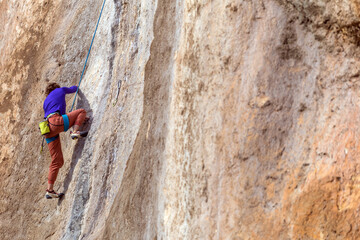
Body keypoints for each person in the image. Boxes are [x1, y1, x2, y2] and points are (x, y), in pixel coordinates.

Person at [43, 82, 88, 199]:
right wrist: (79, 86)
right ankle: (75, 132)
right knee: (82, 111)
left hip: (48, 129)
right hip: (56, 122)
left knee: (57, 161)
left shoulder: (46, 102)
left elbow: (64, 118)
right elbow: (74, 89)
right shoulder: (60, 90)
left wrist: (75, 120)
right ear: (56, 88)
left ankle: (50, 190)